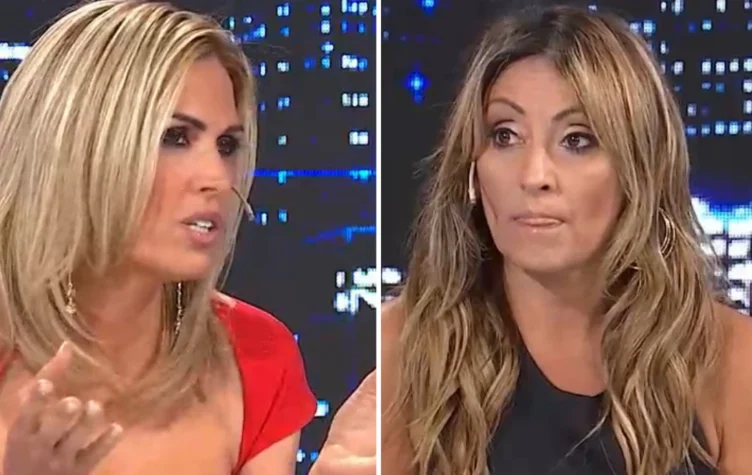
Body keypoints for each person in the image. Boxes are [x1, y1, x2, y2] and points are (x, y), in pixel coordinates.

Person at [0, 1, 375, 474]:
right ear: (79, 146)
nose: (219, 178)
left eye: (227, 145)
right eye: (176, 137)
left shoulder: (257, 357)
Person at [382, 5, 752, 475]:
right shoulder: (403, 347)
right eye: (505, 135)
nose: (534, 175)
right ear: (472, 168)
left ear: (638, 171)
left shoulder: (732, 358)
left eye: (577, 140)